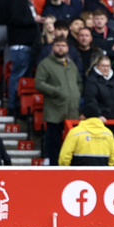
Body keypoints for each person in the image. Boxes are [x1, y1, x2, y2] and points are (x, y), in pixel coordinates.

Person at [35, 37, 82, 166]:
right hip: (54, 109)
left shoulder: (72, 65)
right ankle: (54, 166)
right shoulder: (45, 64)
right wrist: (56, 91)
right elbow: (39, 83)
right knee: (54, 141)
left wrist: (77, 94)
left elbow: (79, 82)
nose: (60, 48)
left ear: (68, 48)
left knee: (72, 141)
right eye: (58, 45)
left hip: (72, 110)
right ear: (53, 47)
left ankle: (71, 166)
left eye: (63, 45)